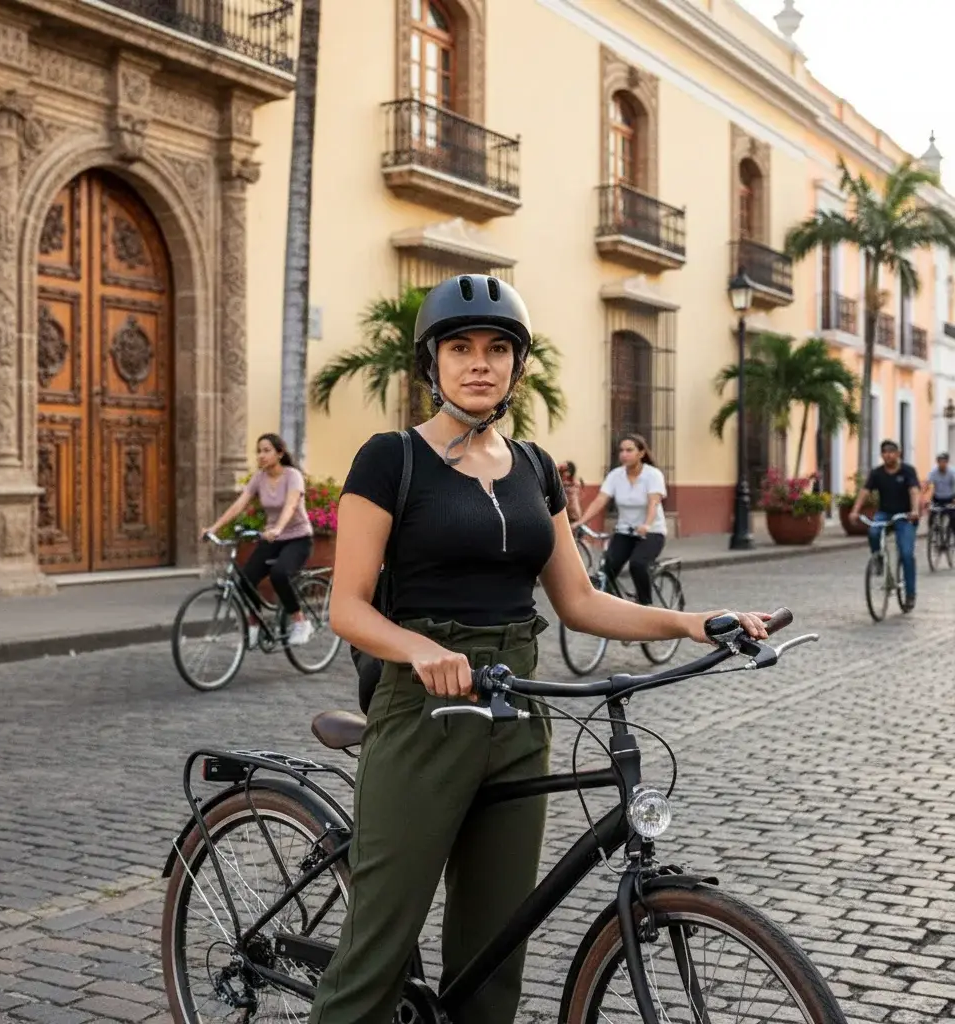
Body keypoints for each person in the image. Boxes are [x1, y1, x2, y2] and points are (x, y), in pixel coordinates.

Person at [308, 273, 770, 1024]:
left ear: (518, 366)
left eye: (497, 348)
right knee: (375, 958)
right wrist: (421, 649)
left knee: (495, 954)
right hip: (423, 710)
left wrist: (696, 621)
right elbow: (347, 607)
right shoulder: (390, 460)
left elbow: (581, 602)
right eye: (460, 347)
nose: (479, 363)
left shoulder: (532, 469)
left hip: (518, 712)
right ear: (433, 363)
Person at [202, 433, 314, 646]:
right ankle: (254, 626)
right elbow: (238, 505)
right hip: (272, 539)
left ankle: (300, 621)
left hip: (298, 538)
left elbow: (291, 505)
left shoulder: (293, 476)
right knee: (246, 579)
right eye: (258, 451)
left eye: (266, 450)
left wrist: (279, 528)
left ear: (279, 453)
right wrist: (213, 528)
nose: (261, 456)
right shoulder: (259, 478)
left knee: (279, 573)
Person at [570, 433, 668, 606]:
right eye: (621, 450)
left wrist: (647, 524)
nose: (624, 454)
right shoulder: (616, 475)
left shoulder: (653, 475)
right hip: (624, 531)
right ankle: (612, 610)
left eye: (629, 450)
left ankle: (645, 606)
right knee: (607, 570)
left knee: (638, 564)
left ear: (641, 453)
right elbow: (600, 500)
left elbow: (654, 502)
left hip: (651, 532)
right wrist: (581, 521)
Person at [852, 439, 921, 610]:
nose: (888, 455)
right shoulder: (877, 473)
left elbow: (914, 490)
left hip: (905, 515)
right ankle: (879, 559)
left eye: (891, 451)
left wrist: (914, 510)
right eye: (884, 452)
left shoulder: (907, 471)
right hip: (884, 513)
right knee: (873, 532)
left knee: (906, 553)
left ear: (898, 453)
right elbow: (865, 491)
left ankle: (910, 594)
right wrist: (855, 510)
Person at [922, 451, 955, 535]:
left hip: (950, 498)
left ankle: (951, 532)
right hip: (937, 498)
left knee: (953, 517)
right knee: (931, 516)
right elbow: (927, 484)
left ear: (947, 462)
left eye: (944, 461)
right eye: (939, 461)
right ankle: (932, 532)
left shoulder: (952, 472)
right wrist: (924, 498)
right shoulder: (933, 472)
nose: (941, 464)